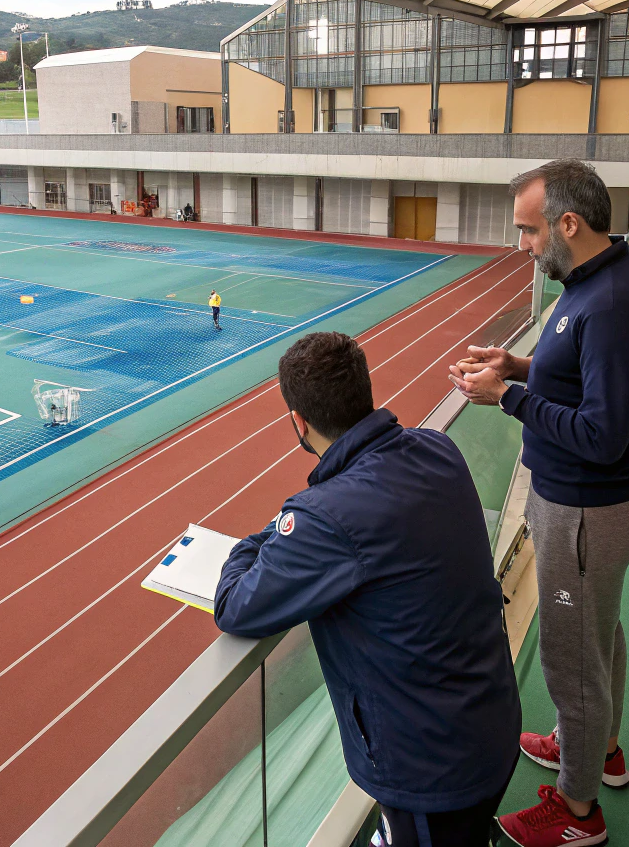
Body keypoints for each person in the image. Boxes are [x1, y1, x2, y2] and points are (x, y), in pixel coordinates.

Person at [216, 332, 521, 847]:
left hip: (431, 771)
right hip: (487, 720)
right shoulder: (436, 448)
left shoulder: (326, 517)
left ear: (299, 421)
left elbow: (235, 606)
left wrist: (261, 538)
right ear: (365, 392)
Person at [449, 160, 629, 847]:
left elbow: (602, 436)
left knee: (571, 659)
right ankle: (598, 749)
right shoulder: (594, 283)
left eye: (529, 231)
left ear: (569, 223)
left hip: (586, 507)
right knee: (598, 637)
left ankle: (578, 811)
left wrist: (507, 398)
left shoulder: (608, 304)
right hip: (592, 506)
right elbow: (582, 377)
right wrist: (516, 366)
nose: (524, 246)